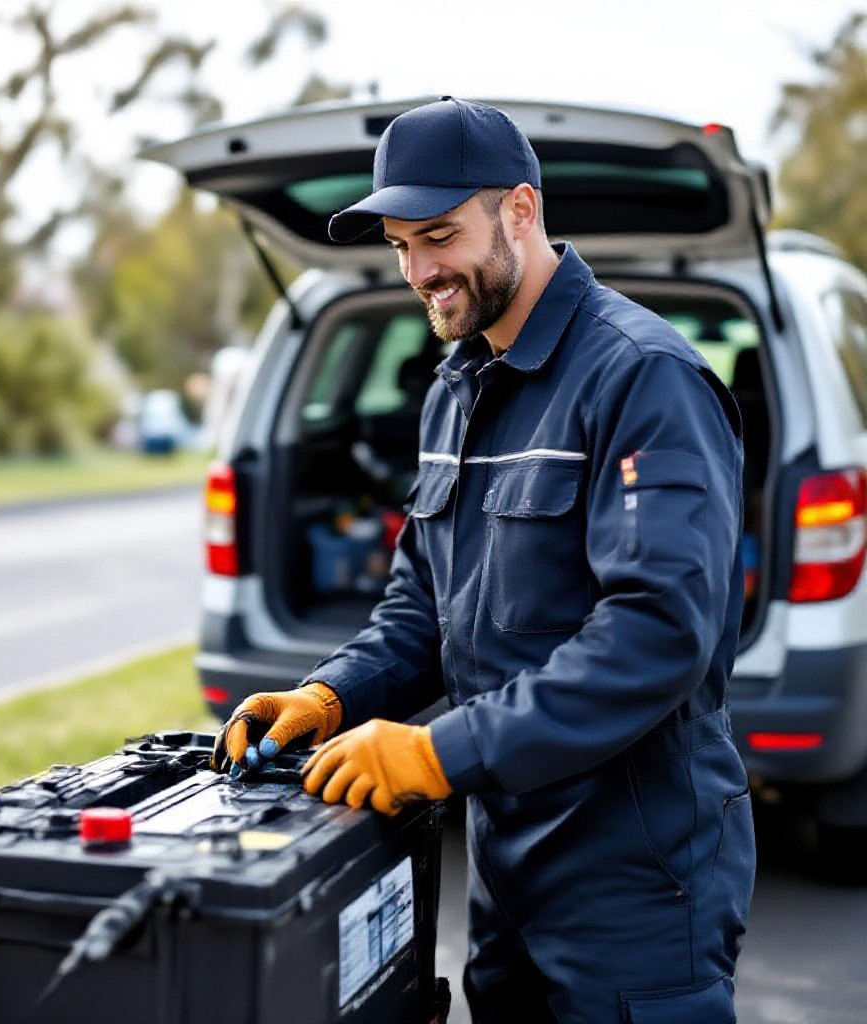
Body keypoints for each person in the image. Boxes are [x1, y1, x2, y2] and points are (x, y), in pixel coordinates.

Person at [211, 97, 756, 1023]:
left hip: (637, 874)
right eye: (399, 246)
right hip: (506, 860)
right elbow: (424, 608)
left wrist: (435, 750)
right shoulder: (455, 389)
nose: (420, 271)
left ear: (520, 211)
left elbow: (658, 635)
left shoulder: (642, 377)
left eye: (438, 235)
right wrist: (333, 694)